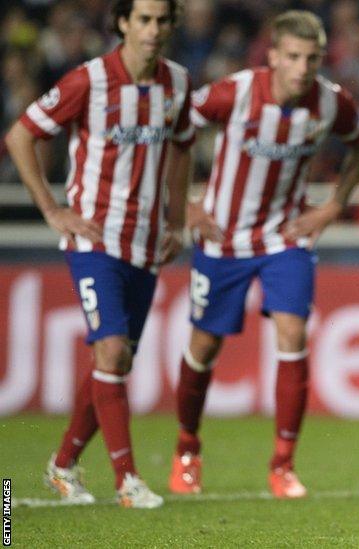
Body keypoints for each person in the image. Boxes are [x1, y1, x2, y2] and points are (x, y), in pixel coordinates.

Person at [168, 10, 359, 499]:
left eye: (313, 58)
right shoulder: (234, 92)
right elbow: (176, 131)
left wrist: (332, 207)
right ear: (274, 56)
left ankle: (283, 464)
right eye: (295, 57)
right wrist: (186, 206)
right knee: (204, 346)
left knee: (293, 331)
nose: (304, 68)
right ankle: (186, 448)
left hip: (285, 236)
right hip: (223, 237)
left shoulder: (330, 102)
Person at [4, 0, 193, 508]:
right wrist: (50, 208)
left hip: (147, 244)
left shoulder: (177, 82)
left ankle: (62, 466)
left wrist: (176, 220)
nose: (153, 30)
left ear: (171, 26)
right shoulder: (89, 80)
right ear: (124, 24)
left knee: (116, 360)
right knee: (111, 351)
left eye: (162, 20)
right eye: (144, 19)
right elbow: (21, 134)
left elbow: (183, 145)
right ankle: (127, 482)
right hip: (94, 239)